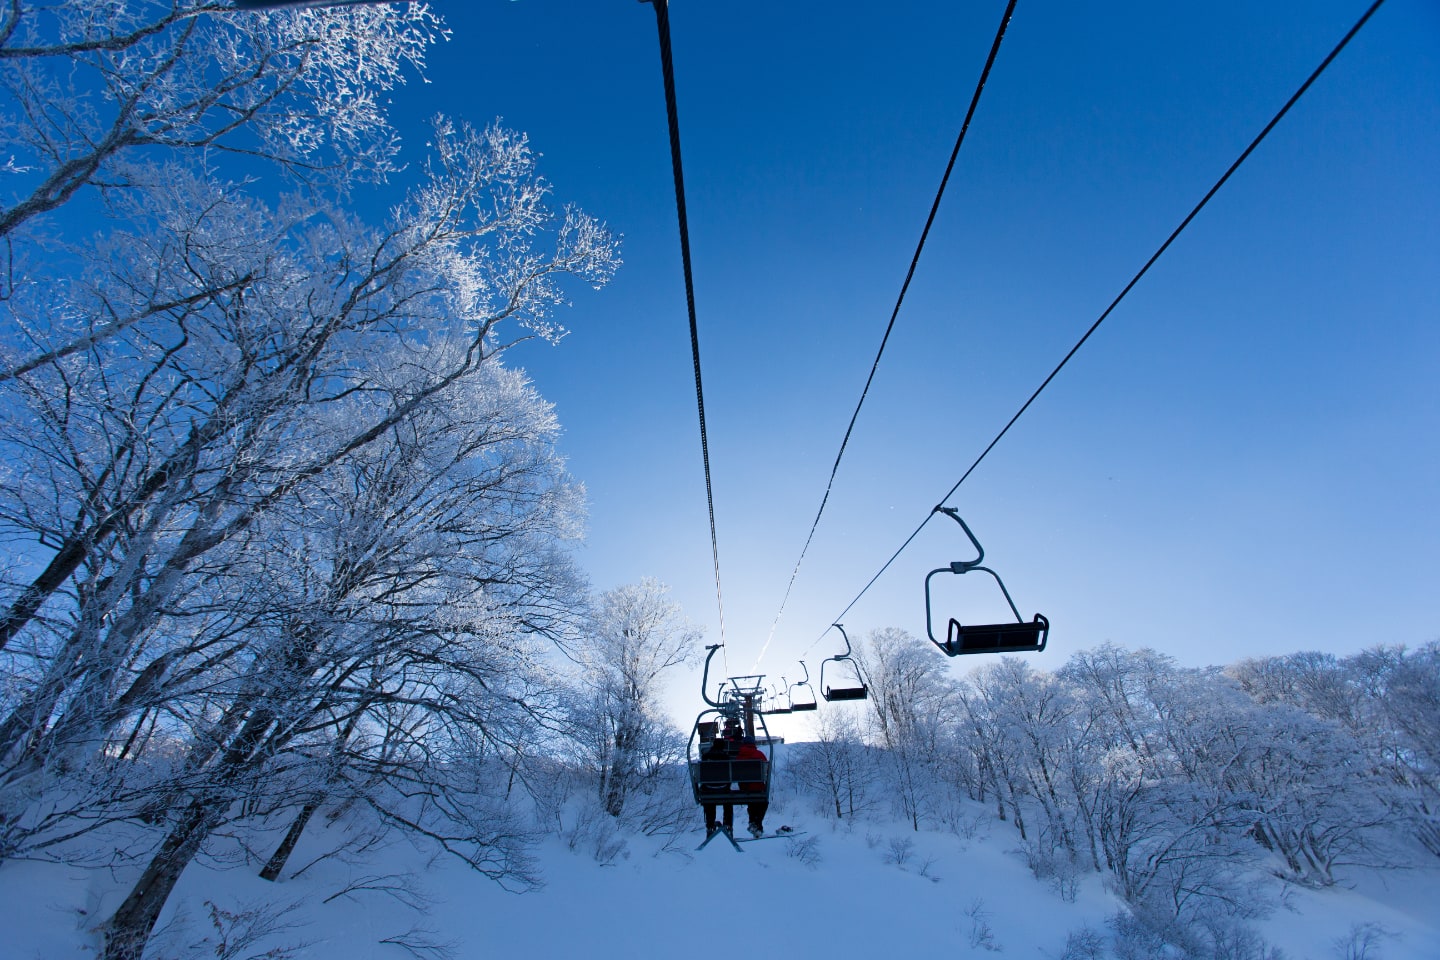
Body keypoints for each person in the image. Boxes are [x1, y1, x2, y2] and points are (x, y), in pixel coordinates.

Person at [735, 736, 769, 837]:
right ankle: (757, 825)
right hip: (757, 786)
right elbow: (766, 771)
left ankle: (754, 825)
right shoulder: (759, 754)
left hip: (745, 787)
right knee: (763, 802)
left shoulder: (739, 756)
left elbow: (736, 772)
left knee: (752, 802)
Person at [701, 734, 734, 835]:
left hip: (708, 787)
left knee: (709, 800)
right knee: (728, 800)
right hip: (723, 787)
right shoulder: (726, 756)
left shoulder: (705, 756)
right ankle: (727, 823)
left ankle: (710, 825)